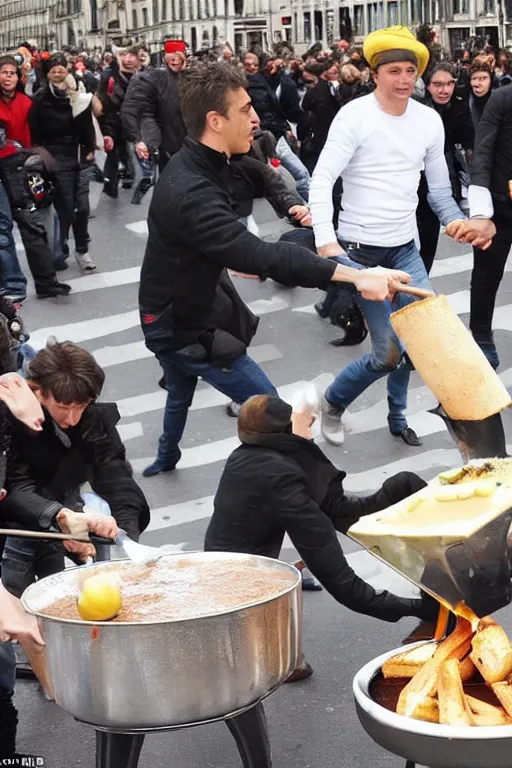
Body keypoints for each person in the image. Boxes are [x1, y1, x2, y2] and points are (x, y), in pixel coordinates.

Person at [138, 62, 413, 477]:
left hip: (182, 304)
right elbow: (264, 256)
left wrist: (290, 207)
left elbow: (261, 174)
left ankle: (166, 456)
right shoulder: (189, 191)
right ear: (215, 121)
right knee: (278, 415)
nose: (256, 119)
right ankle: (326, 492)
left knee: (179, 390)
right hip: (181, 325)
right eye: (246, 110)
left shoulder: (210, 159)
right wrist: (356, 275)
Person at [309, 26, 468, 449]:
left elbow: (438, 191)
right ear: (375, 73)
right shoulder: (354, 116)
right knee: (387, 353)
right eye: (394, 70)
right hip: (360, 252)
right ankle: (333, 403)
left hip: (405, 249)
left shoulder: (429, 120)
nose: (403, 79)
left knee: (423, 340)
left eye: (410, 71)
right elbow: (322, 179)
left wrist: (456, 221)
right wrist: (327, 242)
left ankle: (397, 417)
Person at [205, 395, 437, 675]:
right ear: (282, 434)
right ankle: (280, 664)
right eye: (295, 422)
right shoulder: (281, 481)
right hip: (237, 582)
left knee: (265, 610)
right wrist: (414, 608)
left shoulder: (251, 452)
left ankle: (282, 661)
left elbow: (336, 509)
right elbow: (339, 579)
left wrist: (396, 491)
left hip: (229, 565)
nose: (309, 423)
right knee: (258, 625)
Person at [1, 340, 150, 598]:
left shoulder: (91, 420)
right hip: (14, 531)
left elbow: (115, 475)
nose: (73, 419)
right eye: (63, 408)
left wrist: (124, 532)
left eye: (80, 407)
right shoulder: (10, 419)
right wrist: (60, 516)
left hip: (60, 521)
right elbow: (15, 486)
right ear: (39, 392)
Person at [0, 55, 71, 299]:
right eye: (3, 72)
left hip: (23, 167)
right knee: (2, 230)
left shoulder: (27, 102)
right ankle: (12, 284)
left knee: (32, 225)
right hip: (3, 168)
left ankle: (46, 281)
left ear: (18, 77)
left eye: (12, 72)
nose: (8, 76)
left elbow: (40, 134)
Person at [456, 83, 512, 369]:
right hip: (499, 209)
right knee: (486, 278)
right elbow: (483, 152)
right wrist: (480, 212)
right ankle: (480, 336)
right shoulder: (502, 98)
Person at [29, 53, 97, 273]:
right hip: (55, 159)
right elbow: (35, 134)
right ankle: (61, 248)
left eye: (61, 69)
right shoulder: (39, 99)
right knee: (67, 207)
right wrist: (42, 156)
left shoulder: (79, 95)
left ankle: (82, 249)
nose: (58, 73)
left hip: (79, 156)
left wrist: (89, 148)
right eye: (53, 69)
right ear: (47, 74)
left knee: (84, 207)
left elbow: (88, 123)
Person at [416, 61, 474, 272]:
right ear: (427, 85)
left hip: (442, 183)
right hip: (414, 182)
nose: (444, 90)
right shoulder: (417, 110)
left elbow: (470, 142)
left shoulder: (459, 107)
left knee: (429, 242)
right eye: (438, 84)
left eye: (449, 84)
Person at [121, 40, 187, 203]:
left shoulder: (192, 78)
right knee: (170, 192)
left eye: (180, 56)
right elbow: (140, 111)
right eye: (172, 56)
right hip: (168, 145)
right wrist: (143, 140)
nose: (176, 60)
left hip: (188, 145)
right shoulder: (154, 78)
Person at [243, 51, 310, 201]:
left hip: (272, 133)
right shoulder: (251, 87)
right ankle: (308, 208)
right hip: (267, 135)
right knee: (299, 173)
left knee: (292, 175)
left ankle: (302, 206)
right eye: (248, 65)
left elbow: (275, 107)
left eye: (255, 64)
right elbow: (266, 112)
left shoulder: (263, 82)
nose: (252, 67)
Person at [96, 46, 139, 198]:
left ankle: (124, 177)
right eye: (122, 54)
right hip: (112, 118)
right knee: (114, 152)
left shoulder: (136, 73)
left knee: (125, 150)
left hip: (126, 118)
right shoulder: (109, 74)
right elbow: (103, 98)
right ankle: (111, 184)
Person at [469, 61, 494, 129]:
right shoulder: (465, 104)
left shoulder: (501, 102)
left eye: (483, 79)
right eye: (474, 79)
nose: (478, 83)